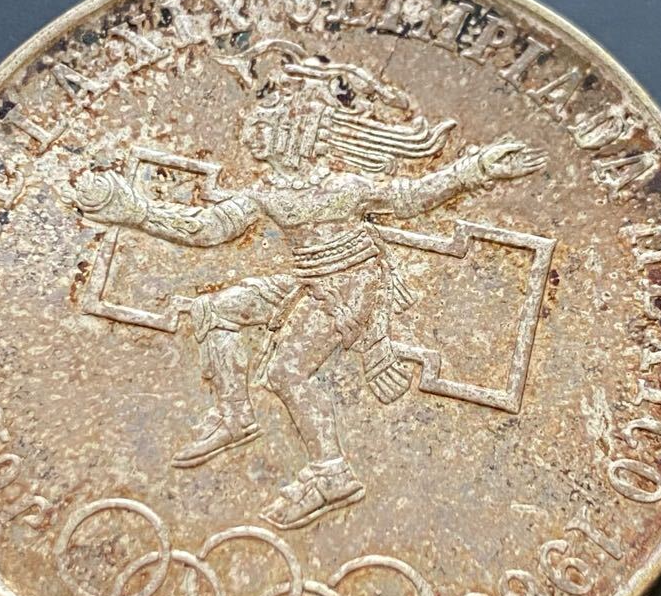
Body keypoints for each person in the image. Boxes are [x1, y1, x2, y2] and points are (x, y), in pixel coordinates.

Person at [67, 40, 546, 530]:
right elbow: (205, 229)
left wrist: (474, 169)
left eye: (265, 127)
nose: (253, 135)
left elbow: (410, 198)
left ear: (294, 134)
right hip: (309, 282)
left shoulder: (344, 187)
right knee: (217, 309)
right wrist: (137, 212)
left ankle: (332, 474)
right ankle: (234, 417)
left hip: (352, 288)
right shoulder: (268, 193)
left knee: (287, 371)